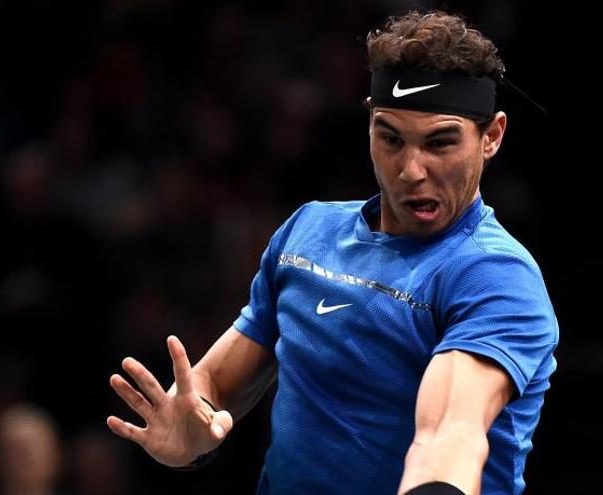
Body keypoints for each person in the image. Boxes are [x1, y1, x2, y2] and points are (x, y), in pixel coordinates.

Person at [107, 10, 558, 495]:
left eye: (440, 143)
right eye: (390, 138)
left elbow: (449, 433)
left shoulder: (495, 275)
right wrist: (191, 432)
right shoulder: (308, 231)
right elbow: (215, 384)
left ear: (491, 137)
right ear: (368, 123)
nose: (411, 170)